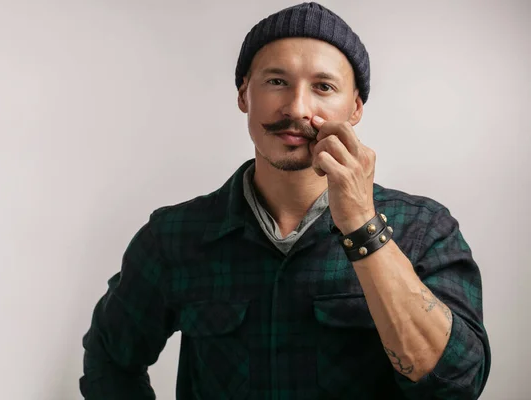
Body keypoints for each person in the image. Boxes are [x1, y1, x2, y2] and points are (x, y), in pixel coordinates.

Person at [79, 2, 491, 399]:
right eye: (277, 81)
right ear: (244, 95)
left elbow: (455, 385)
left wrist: (363, 226)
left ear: (355, 108)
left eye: (323, 87)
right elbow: (109, 362)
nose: (296, 107)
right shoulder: (173, 237)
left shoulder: (424, 230)